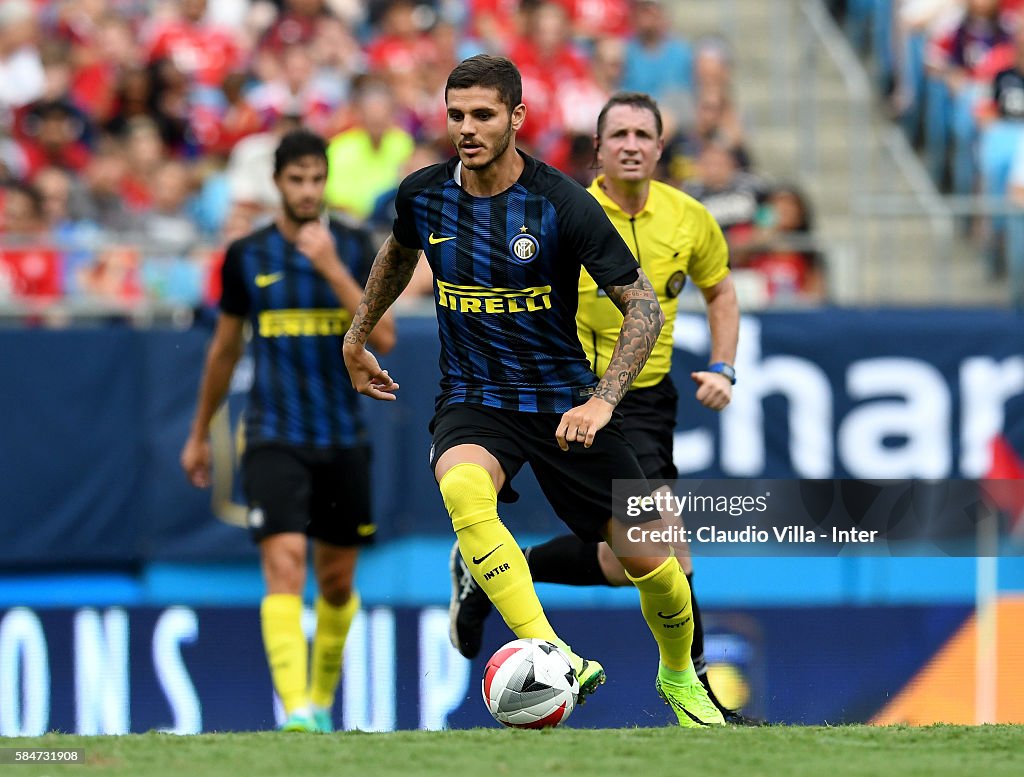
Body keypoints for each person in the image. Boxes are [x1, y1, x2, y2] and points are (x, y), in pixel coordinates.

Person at [342, 55, 725, 727]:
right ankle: (551, 650)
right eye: (456, 114)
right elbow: (400, 250)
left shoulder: (561, 203)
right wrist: (357, 333)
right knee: (462, 488)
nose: (467, 127)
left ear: (516, 117)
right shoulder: (424, 193)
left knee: (654, 563)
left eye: (483, 114)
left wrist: (603, 399)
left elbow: (644, 306)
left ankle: (677, 677)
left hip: (562, 402)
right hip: (474, 399)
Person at [448, 91, 752, 724]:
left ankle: (499, 568)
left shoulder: (690, 217)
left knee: (627, 561)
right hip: (566, 391)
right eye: (619, 135)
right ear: (599, 148)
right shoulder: (566, 211)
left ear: (661, 148)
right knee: (667, 544)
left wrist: (724, 365)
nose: (632, 145)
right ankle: (695, 693)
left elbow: (721, 293)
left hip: (643, 404)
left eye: (644, 134)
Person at [180, 128, 396, 733]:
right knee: (283, 563)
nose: (306, 190)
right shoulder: (247, 255)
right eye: (295, 180)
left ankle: (321, 704)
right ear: (277, 184)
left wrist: (328, 266)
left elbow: (384, 338)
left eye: (315, 179)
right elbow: (223, 351)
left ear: (326, 182)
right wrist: (198, 434)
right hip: (274, 433)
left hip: (343, 436)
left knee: (335, 580)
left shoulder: (353, 247)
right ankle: (295, 710)